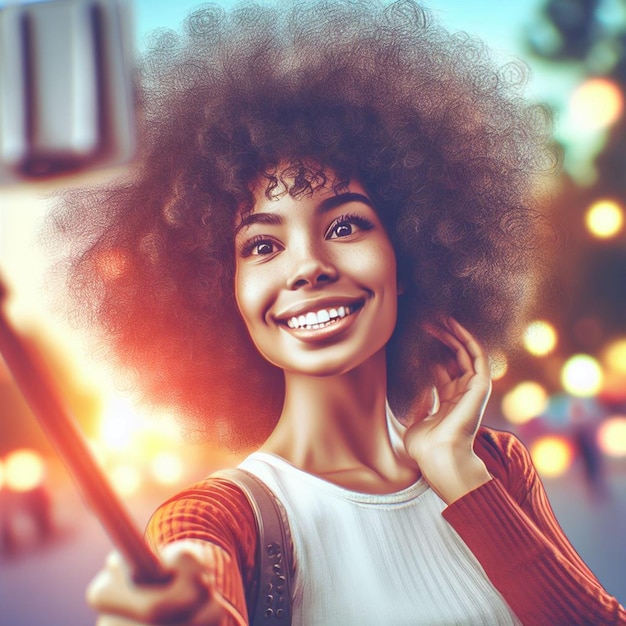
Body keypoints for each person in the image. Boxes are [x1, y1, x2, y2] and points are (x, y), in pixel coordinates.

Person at [52, 0, 626, 623]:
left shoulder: (493, 466)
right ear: (226, 293)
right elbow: (194, 580)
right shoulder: (219, 520)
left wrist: (454, 472)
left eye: (346, 224)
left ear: (407, 257)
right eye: (263, 245)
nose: (308, 266)